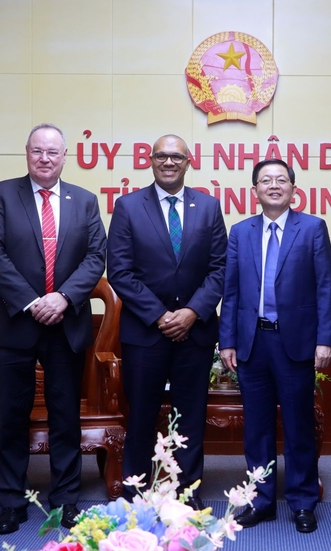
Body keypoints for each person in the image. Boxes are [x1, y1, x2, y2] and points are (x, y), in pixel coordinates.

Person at [0, 123, 107, 535]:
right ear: (27, 153)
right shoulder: (1, 194)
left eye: (53, 151)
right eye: (38, 151)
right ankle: (12, 501)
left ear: (64, 156)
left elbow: (95, 257)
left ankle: (66, 499)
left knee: (65, 415)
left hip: (65, 322)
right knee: (12, 416)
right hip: (14, 322)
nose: (45, 158)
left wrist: (63, 298)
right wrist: (33, 301)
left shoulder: (84, 201)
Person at [106, 134, 227, 509]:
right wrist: (160, 315)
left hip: (197, 331)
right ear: (151, 160)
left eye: (176, 156)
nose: (169, 162)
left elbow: (220, 268)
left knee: (190, 418)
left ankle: (187, 492)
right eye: (162, 156)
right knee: (141, 415)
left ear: (189, 161)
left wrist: (191, 312)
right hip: (145, 332)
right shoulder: (128, 206)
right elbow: (120, 272)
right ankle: (135, 492)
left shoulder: (208, 206)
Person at [219, 158, 331, 534]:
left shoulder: (313, 228)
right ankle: (260, 500)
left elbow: (324, 288)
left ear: (292, 188)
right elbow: (231, 290)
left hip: (297, 342)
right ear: (254, 190)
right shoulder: (240, 231)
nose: (273, 185)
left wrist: (325, 340)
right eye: (265, 180)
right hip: (253, 342)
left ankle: (303, 502)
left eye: (280, 180)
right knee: (257, 428)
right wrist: (228, 341)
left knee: (299, 426)